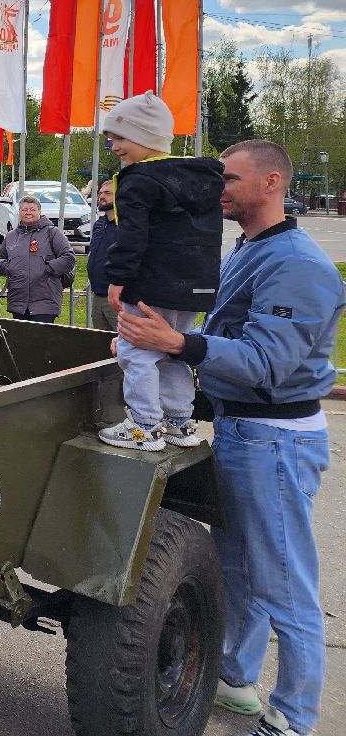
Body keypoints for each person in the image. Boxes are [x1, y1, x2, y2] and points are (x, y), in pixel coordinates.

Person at [118, 140, 343, 736]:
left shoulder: (300, 266)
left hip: (277, 440)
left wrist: (179, 347)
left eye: (231, 178)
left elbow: (268, 363)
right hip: (244, 431)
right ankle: (235, 678)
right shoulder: (249, 248)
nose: (218, 187)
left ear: (272, 182)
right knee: (236, 569)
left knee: (286, 584)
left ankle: (294, 718)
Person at [97, 91, 224, 452]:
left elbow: (132, 235)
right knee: (172, 350)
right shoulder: (202, 178)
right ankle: (179, 423)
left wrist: (117, 278)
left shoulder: (137, 179)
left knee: (135, 352)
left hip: (152, 285)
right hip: (194, 289)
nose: (114, 146)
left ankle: (143, 425)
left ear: (145, 137)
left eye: (120, 137)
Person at [0, 194, 76, 322]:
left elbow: (69, 258)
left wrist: (46, 269)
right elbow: (0, 261)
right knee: (21, 340)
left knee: (41, 341)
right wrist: (11, 267)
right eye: (24, 209)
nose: (28, 213)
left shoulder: (52, 233)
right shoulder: (11, 236)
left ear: (39, 212)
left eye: (32, 209)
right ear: (19, 212)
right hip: (18, 302)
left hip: (45, 302)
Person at [86, 179, 120, 331]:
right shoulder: (99, 223)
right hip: (97, 294)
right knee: (100, 344)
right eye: (100, 193)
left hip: (118, 297)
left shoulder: (127, 225)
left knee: (123, 345)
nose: (101, 196)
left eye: (108, 193)